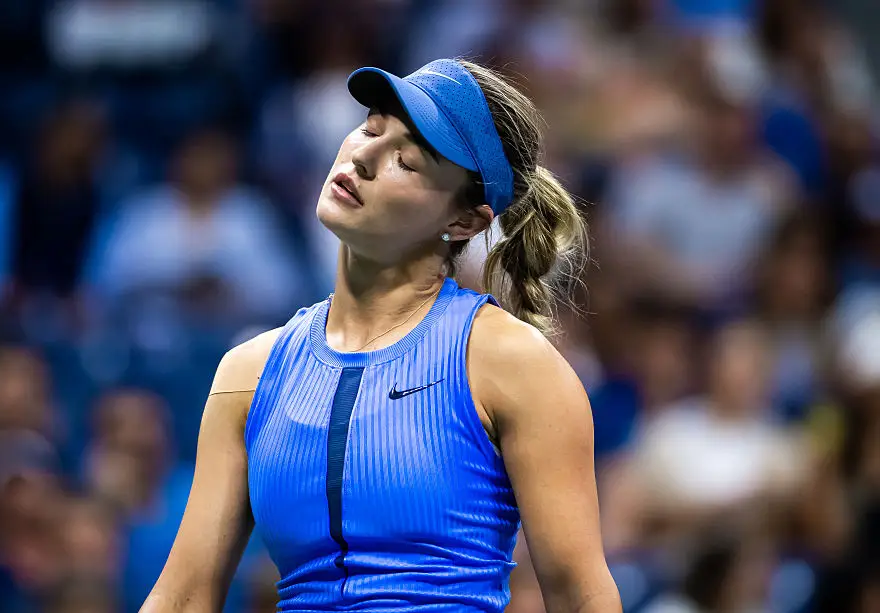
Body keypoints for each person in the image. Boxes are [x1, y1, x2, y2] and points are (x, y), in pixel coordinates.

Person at [140, 58, 620, 612]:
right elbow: (181, 599)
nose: (363, 157)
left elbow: (582, 598)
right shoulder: (246, 374)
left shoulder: (511, 362)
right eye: (370, 129)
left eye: (406, 161)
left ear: (465, 223)